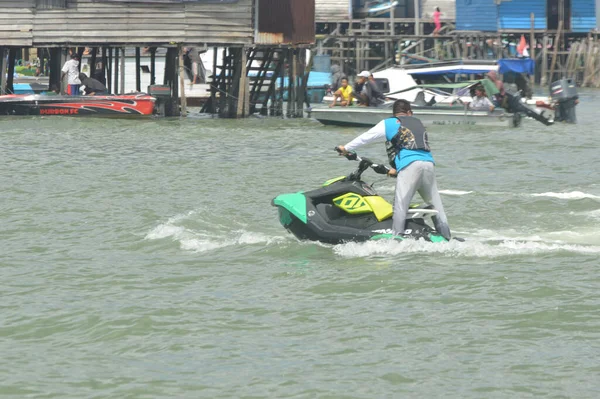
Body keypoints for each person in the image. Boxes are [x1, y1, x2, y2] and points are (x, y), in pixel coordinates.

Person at [336, 99, 451, 240]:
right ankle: (446, 237)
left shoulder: (390, 123)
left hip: (410, 165)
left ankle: (397, 240)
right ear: (409, 112)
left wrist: (346, 148)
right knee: (436, 206)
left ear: (395, 113)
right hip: (429, 164)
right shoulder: (418, 122)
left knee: (400, 205)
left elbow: (366, 137)